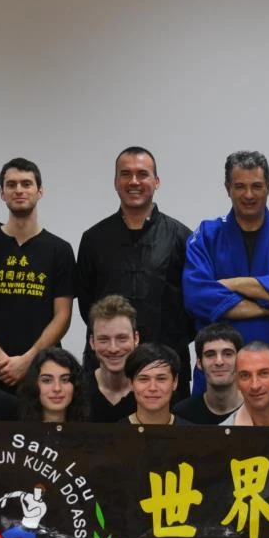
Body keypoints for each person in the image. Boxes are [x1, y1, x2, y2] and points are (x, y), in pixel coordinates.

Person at [183, 150, 269, 371]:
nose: (249, 195)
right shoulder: (206, 235)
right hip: (218, 371)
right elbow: (196, 295)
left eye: (257, 186)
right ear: (228, 188)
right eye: (240, 186)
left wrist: (232, 284)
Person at [73, 147, 192, 379]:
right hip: (106, 365)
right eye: (126, 174)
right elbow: (87, 304)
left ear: (156, 181)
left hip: (166, 364)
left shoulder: (181, 237)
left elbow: (193, 306)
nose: (134, 181)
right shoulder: (93, 239)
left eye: (142, 174)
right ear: (115, 182)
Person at [0, 157, 75, 390]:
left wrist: (28, 359)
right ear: (1, 193)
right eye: (11, 185)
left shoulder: (59, 250)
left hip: (41, 368)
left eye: (26, 184)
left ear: (40, 191)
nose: (19, 190)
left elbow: (63, 316)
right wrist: (1, 359)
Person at [172, 323, 243, 425]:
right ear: (199, 363)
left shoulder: (255, 409)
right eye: (210, 355)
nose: (219, 362)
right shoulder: (182, 413)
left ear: (240, 360)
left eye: (227, 354)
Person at [83, 295, 139, 422]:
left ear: (136, 339)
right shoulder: (76, 391)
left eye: (121, 338)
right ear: (92, 342)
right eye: (104, 339)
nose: (113, 348)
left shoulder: (153, 393)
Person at [17, 346, 88, 424]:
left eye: (65, 380)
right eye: (47, 380)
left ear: (76, 384)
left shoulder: (90, 430)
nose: (57, 388)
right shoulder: (15, 429)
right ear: (33, 385)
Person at [124, 343, 182, 426]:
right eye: (144, 379)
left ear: (175, 382)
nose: (152, 388)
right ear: (131, 383)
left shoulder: (194, 433)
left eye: (161, 379)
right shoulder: (113, 433)